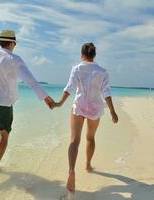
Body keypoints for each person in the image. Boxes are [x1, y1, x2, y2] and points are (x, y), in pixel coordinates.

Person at [0, 30, 55, 186]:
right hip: (3, 104)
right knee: (4, 135)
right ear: (11, 43)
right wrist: (45, 97)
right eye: (14, 43)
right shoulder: (14, 59)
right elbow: (30, 80)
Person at [55, 42, 119, 193]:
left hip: (79, 106)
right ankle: (88, 165)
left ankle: (71, 170)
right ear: (94, 55)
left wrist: (59, 103)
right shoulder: (102, 71)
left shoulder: (76, 69)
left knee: (74, 140)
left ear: (82, 54)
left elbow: (69, 88)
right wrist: (112, 112)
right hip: (95, 108)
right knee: (90, 138)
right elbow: (106, 92)